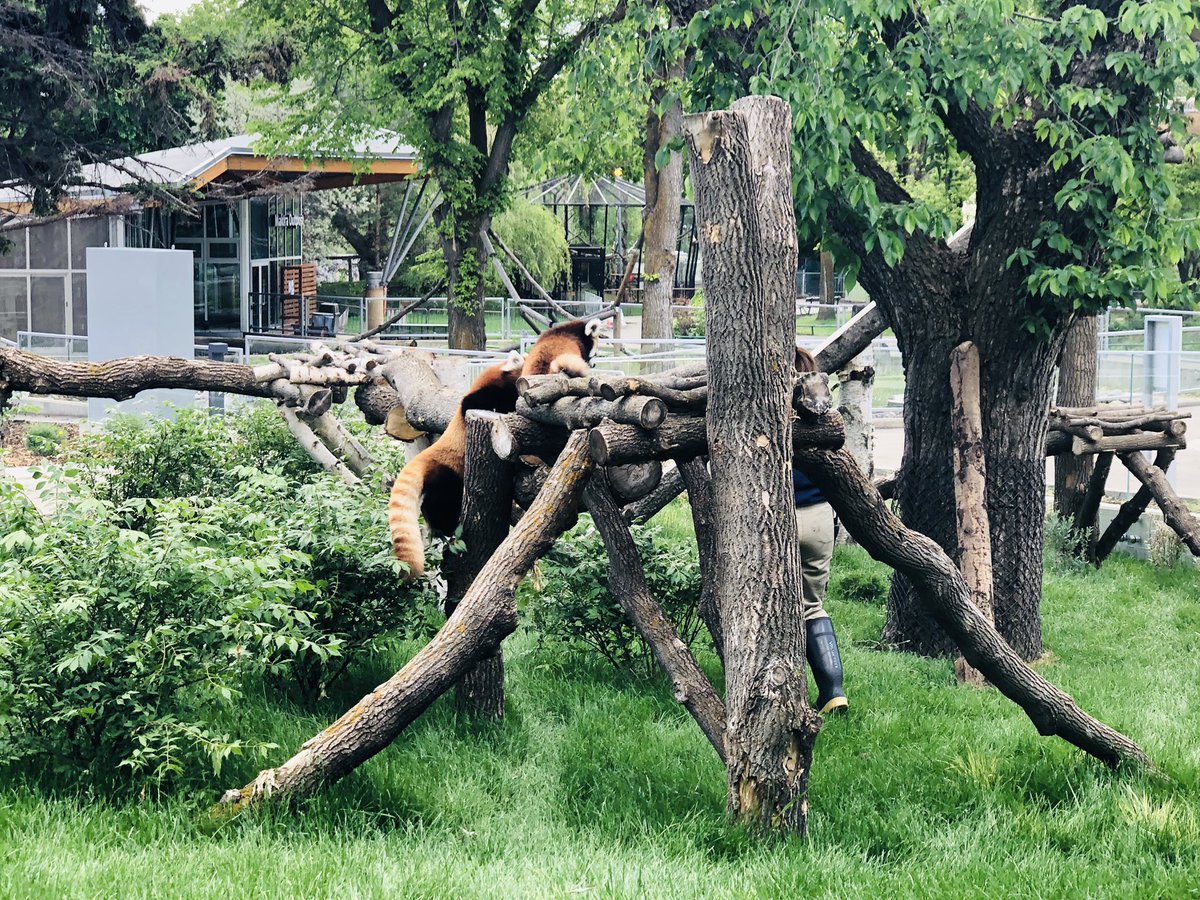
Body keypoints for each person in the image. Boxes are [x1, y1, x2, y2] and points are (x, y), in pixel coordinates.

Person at [794, 346, 848, 715]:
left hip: (780, 516)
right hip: (818, 518)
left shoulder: (767, 414)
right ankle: (833, 690)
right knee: (811, 607)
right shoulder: (824, 419)